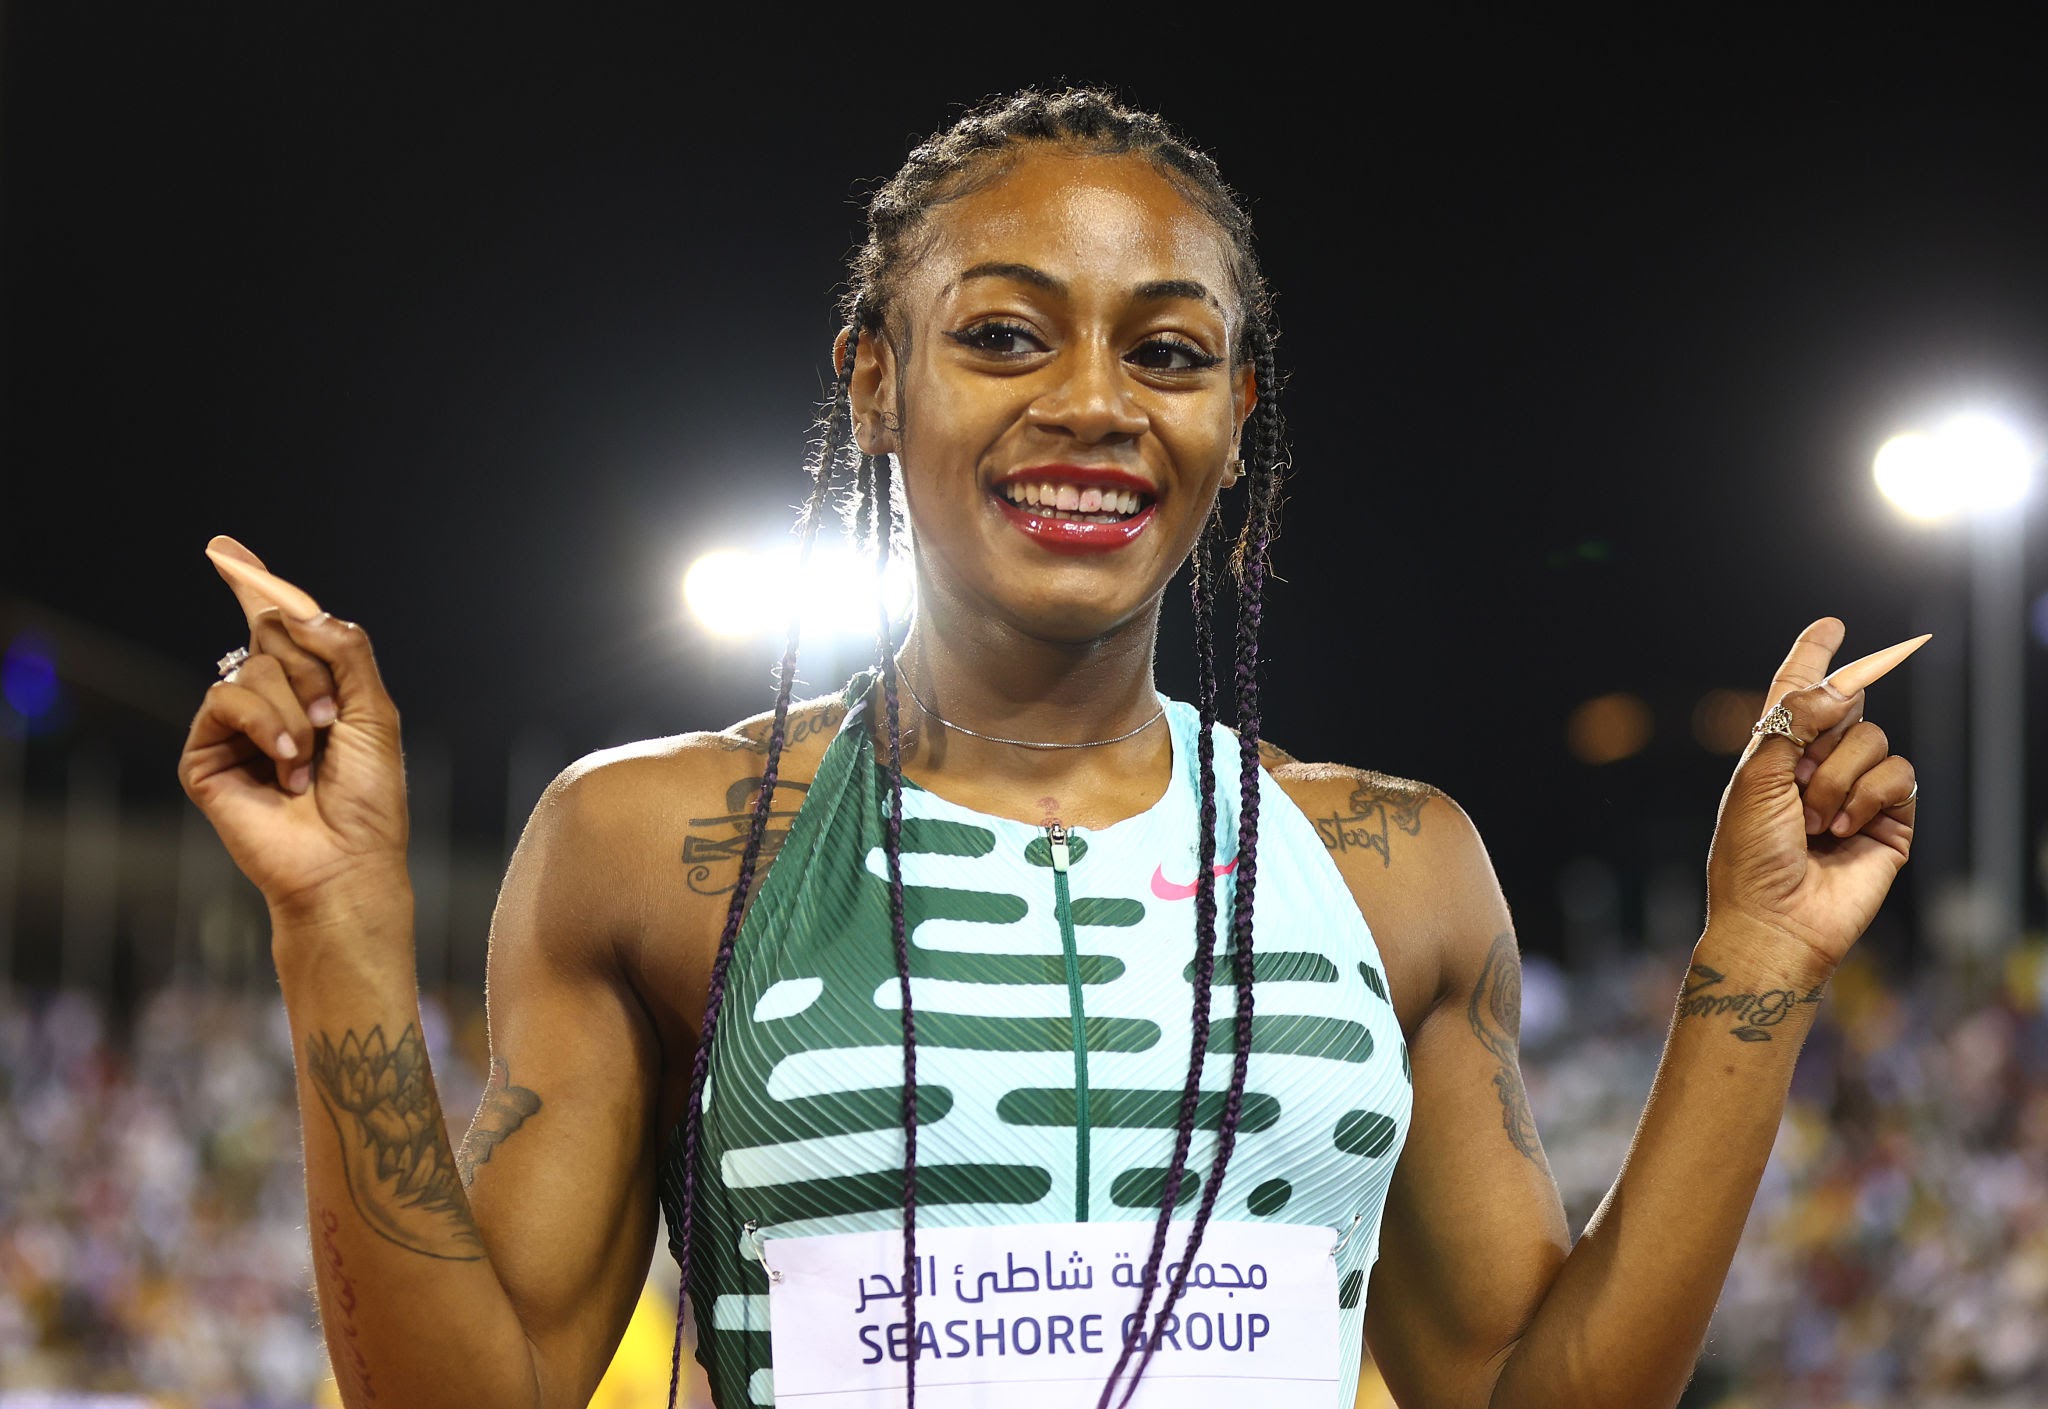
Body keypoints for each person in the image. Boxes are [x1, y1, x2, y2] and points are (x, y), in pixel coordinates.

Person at [180, 89, 1921, 1409]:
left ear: (1235, 414)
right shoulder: (650, 841)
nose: (1091, 402)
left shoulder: (1396, 869)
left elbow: (1535, 1395)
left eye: (1166, 351)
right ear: (876, 383)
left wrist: (1758, 960)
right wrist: (335, 928)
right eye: (1004, 334)